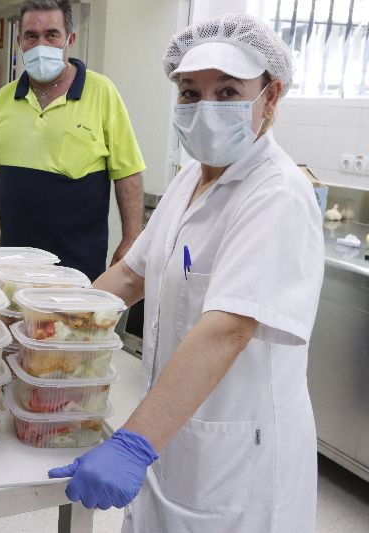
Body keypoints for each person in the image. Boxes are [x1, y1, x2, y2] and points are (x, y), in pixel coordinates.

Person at [48, 13, 324, 532]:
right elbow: (131, 277)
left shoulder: (277, 194)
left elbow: (229, 329)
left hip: (239, 456)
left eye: (228, 92)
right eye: (191, 93)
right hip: (175, 426)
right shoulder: (190, 179)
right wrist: (50, 333)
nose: (206, 108)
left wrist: (134, 441)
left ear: (271, 97)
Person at [0, 0, 145, 280]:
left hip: (78, 268)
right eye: (31, 36)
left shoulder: (102, 92)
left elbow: (128, 174)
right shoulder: (3, 99)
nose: (41, 45)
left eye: (51, 35)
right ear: (19, 42)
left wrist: (131, 241)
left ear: (69, 40)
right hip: (13, 267)